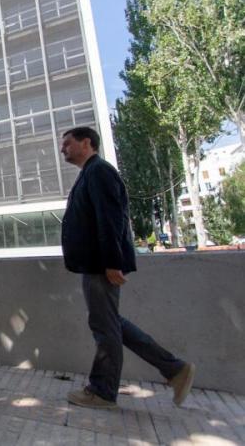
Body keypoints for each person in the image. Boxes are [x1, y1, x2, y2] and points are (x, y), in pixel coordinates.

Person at [60, 126, 195, 409]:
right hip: (94, 264)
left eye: (68, 143)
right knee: (110, 323)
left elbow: (110, 219)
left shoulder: (99, 172)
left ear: (87, 143)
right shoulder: (90, 173)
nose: (63, 149)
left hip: (100, 265)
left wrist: (112, 262)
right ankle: (174, 369)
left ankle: (102, 391)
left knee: (105, 327)